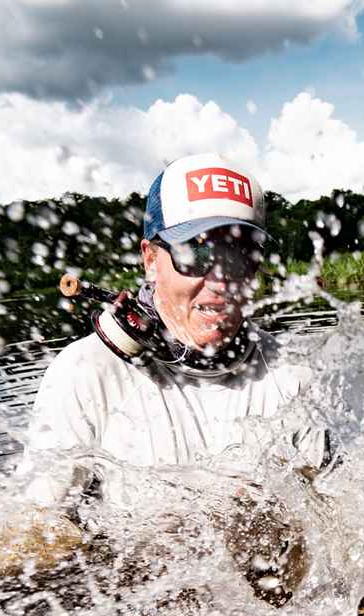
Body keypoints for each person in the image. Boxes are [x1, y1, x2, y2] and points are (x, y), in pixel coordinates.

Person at [16, 153, 320, 509]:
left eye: (240, 254)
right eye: (196, 254)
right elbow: (36, 531)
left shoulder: (292, 375)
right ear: (150, 260)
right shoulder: (86, 372)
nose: (221, 281)